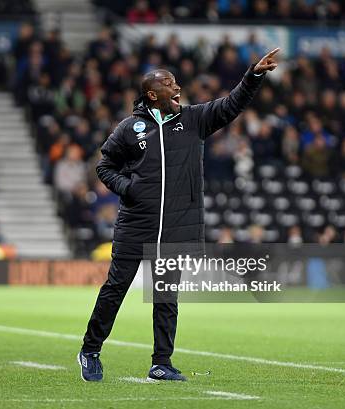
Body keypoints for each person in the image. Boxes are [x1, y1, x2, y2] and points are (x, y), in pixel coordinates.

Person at [78, 48, 280, 382]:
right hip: (136, 224)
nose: (178, 87)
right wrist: (128, 188)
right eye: (170, 83)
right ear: (152, 94)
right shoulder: (130, 128)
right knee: (115, 289)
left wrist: (254, 75)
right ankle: (90, 350)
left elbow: (232, 104)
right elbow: (104, 165)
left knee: (166, 296)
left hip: (176, 225)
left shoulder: (193, 120)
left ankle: (161, 363)